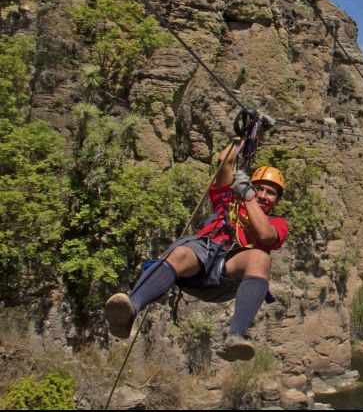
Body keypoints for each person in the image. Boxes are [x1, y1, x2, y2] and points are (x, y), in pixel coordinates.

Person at [104, 142, 289, 361]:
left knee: (260, 257)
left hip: (227, 276)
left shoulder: (277, 223)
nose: (263, 195)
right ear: (252, 186)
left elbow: (266, 236)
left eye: (271, 193)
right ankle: (130, 310)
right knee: (180, 253)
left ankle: (235, 336)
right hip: (202, 260)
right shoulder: (229, 200)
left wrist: (248, 197)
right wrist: (243, 139)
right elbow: (224, 162)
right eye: (260, 188)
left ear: (276, 201)